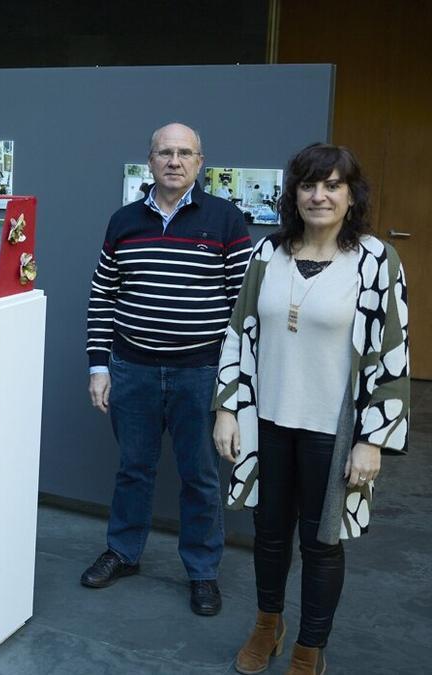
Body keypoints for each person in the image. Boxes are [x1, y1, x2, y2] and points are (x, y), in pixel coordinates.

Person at [213, 144, 409, 675]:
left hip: (334, 431)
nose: (319, 195)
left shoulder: (374, 260)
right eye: (308, 185)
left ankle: (309, 647)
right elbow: (237, 334)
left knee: (321, 545)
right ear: (293, 194)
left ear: (351, 195)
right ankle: (266, 625)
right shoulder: (266, 254)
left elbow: (393, 352)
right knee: (269, 535)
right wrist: (227, 409)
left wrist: (373, 439)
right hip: (269, 422)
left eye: (332, 185)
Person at [82, 122, 252, 616]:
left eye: (185, 153)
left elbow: (243, 309)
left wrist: (231, 387)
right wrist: (99, 366)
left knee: (200, 475)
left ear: (200, 163)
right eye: (164, 153)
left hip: (199, 373)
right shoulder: (124, 221)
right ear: (150, 160)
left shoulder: (226, 220)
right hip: (131, 368)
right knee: (133, 469)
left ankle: (202, 571)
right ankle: (124, 551)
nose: (174, 161)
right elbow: (102, 296)